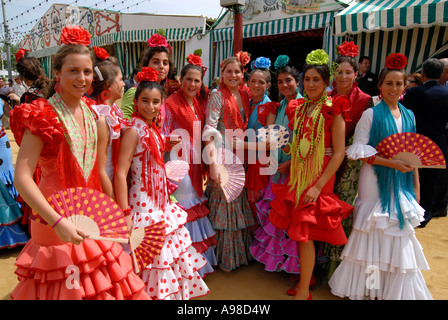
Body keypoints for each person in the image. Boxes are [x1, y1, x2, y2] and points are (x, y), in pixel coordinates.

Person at [9, 25, 150, 300]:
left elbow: (100, 172)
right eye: (73, 70)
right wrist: (57, 220)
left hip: (93, 221)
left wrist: (120, 215)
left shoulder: (96, 117)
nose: (81, 78)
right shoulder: (42, 115)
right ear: (57, 74)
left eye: (86, 71)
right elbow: (22, 177)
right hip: (52, 223)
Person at [329, 53, 433, 300]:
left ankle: (390, 290)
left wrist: (416, 188)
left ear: (405, 86)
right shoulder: (371, 114)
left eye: (398, 84)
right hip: (373, 181)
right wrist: (391, 164)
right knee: (372, 236)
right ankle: (371, 288)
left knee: (397, 233)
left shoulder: (410, 115)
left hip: (402, 182)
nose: (394, 88)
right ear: (380, 86)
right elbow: (360, 152)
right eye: (389, 83)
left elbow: (413, 155)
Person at [114, 67, 210, 299]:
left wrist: (165, 142)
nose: (150, 106)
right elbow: (120, 172)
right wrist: (125, 211)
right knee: (152, 257)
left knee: (164, 255)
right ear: (135, 101)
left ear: (162, 103)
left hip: (161, 202)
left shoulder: (151, 127)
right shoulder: (133, 131)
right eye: (145, 101)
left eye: (156, 102)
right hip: (143, 204)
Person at [268, 49, 353, 300]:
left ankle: (304, 289)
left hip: (320, 177)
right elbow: (299, 145)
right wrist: (284, 146)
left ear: (327, 82)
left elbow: (338, 153)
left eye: (317, 80)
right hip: (300, 175)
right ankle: (307, 281)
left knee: (305, 233)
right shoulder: (299, 108)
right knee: (303, 233)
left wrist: (318, 187)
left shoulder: (333, 109)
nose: (311, 84)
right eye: (308, 79)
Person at [162, 55, 218, 278]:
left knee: (194, 205)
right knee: (186, 209)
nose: (192, 84)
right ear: (180, 79)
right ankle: (186, 266)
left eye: (197, 80)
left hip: (195, 163)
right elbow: (163, 133)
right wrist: (172, 140)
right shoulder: (170, 104)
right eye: (188, 79)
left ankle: (197, 264)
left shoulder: (196, 103)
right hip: (179, 165)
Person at [249, 55, 305, 277]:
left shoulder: (303, 106)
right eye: (281, 82)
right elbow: (269, 140)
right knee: (277, 215)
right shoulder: (278, 105)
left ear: (297, 81)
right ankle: (280, 260)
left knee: (292, 216)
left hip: (296, 169)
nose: (285, 85)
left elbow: (308, 141)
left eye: (288, 81)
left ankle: (294, 264)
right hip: (277, 168)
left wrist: (292, 163)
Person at [322, 41, 373, 280]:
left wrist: (344, 148)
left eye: (348, 72)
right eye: (339, 71)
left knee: (343, 208)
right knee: (323, 207)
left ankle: (338, 265)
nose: (343, 76)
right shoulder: (326, 97)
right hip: (325, 160)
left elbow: (367, 135)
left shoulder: (365, 100)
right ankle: (322, 259)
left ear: (356, 74)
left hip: (351, 163)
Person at [202, 53, 256, 272]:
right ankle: (224, 259)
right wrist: (213, 163)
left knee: (236, 203)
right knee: (225, 204)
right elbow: (209, 129)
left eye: (237, 71)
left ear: (243, 74)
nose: (233, 75)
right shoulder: (217, 95)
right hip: (224, 156)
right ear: (222, 74)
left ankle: (239, 256)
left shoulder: (245, 93)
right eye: (229, 72)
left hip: (242, 154)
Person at [401, 58, 448, 227]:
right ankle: (424, 215)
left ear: (423, 74)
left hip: (414, 142)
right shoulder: (446, 94)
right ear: (441, 73)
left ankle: (408, 211)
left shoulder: (414, 93)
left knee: (410, 177)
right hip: (437, 143)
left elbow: (402, 113)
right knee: (431, 181)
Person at [88, 47, 125, 199]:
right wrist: (112, 201)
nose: (124, 84)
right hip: (105, 188)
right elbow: (100, 169)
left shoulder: (112, 112)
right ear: (109, 84)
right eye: (121, 79)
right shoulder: (101, 118)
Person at [121, 31, 173, 120]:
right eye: (156, 62)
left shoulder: (162, 93)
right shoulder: (134, 92)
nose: (161, 66)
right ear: (146, 64)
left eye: (165, 63)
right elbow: (123, 123)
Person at [0, 96, 29, 249]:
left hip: (2, 144)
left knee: (5, 182)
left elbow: (11, 114)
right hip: (2, 142)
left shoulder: (1, 100)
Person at [245, 57, 272, 218]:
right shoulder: (246, 102)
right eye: (253, 81)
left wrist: (243, 144)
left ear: (268, 85)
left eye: (261, 82)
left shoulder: (269, 107)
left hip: (258, 162)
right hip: (245, 160)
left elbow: (268, 144)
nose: (256, 85)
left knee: (258, 206)